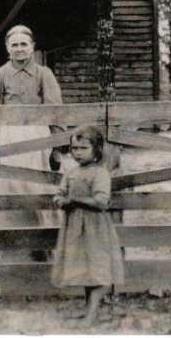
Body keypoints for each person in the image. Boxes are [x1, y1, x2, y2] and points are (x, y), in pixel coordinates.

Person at [0, 24, 66, 230]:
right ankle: (9, 232)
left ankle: (44, 231)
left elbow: (55, 109)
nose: (19, 48)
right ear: (8, 48)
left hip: (38, 134)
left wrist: (57, 145)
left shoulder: (44, 74)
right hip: (9, 134)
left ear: (32, 46)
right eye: (15, 45)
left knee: (38, 180)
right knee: (9, 181)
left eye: (24, 44)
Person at [51, 126, 124, 327]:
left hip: (96, 228)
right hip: (75, 228)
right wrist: (60, 201)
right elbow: (59, 193)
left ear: (97, 150)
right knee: (85, 269)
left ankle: (92, 314)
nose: (78, 152)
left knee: (98, 270)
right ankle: (88, 311)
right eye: (74, 148)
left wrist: (75, 200)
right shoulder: (71, 172)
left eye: (83, 148)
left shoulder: (100, 173)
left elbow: (101, 202)